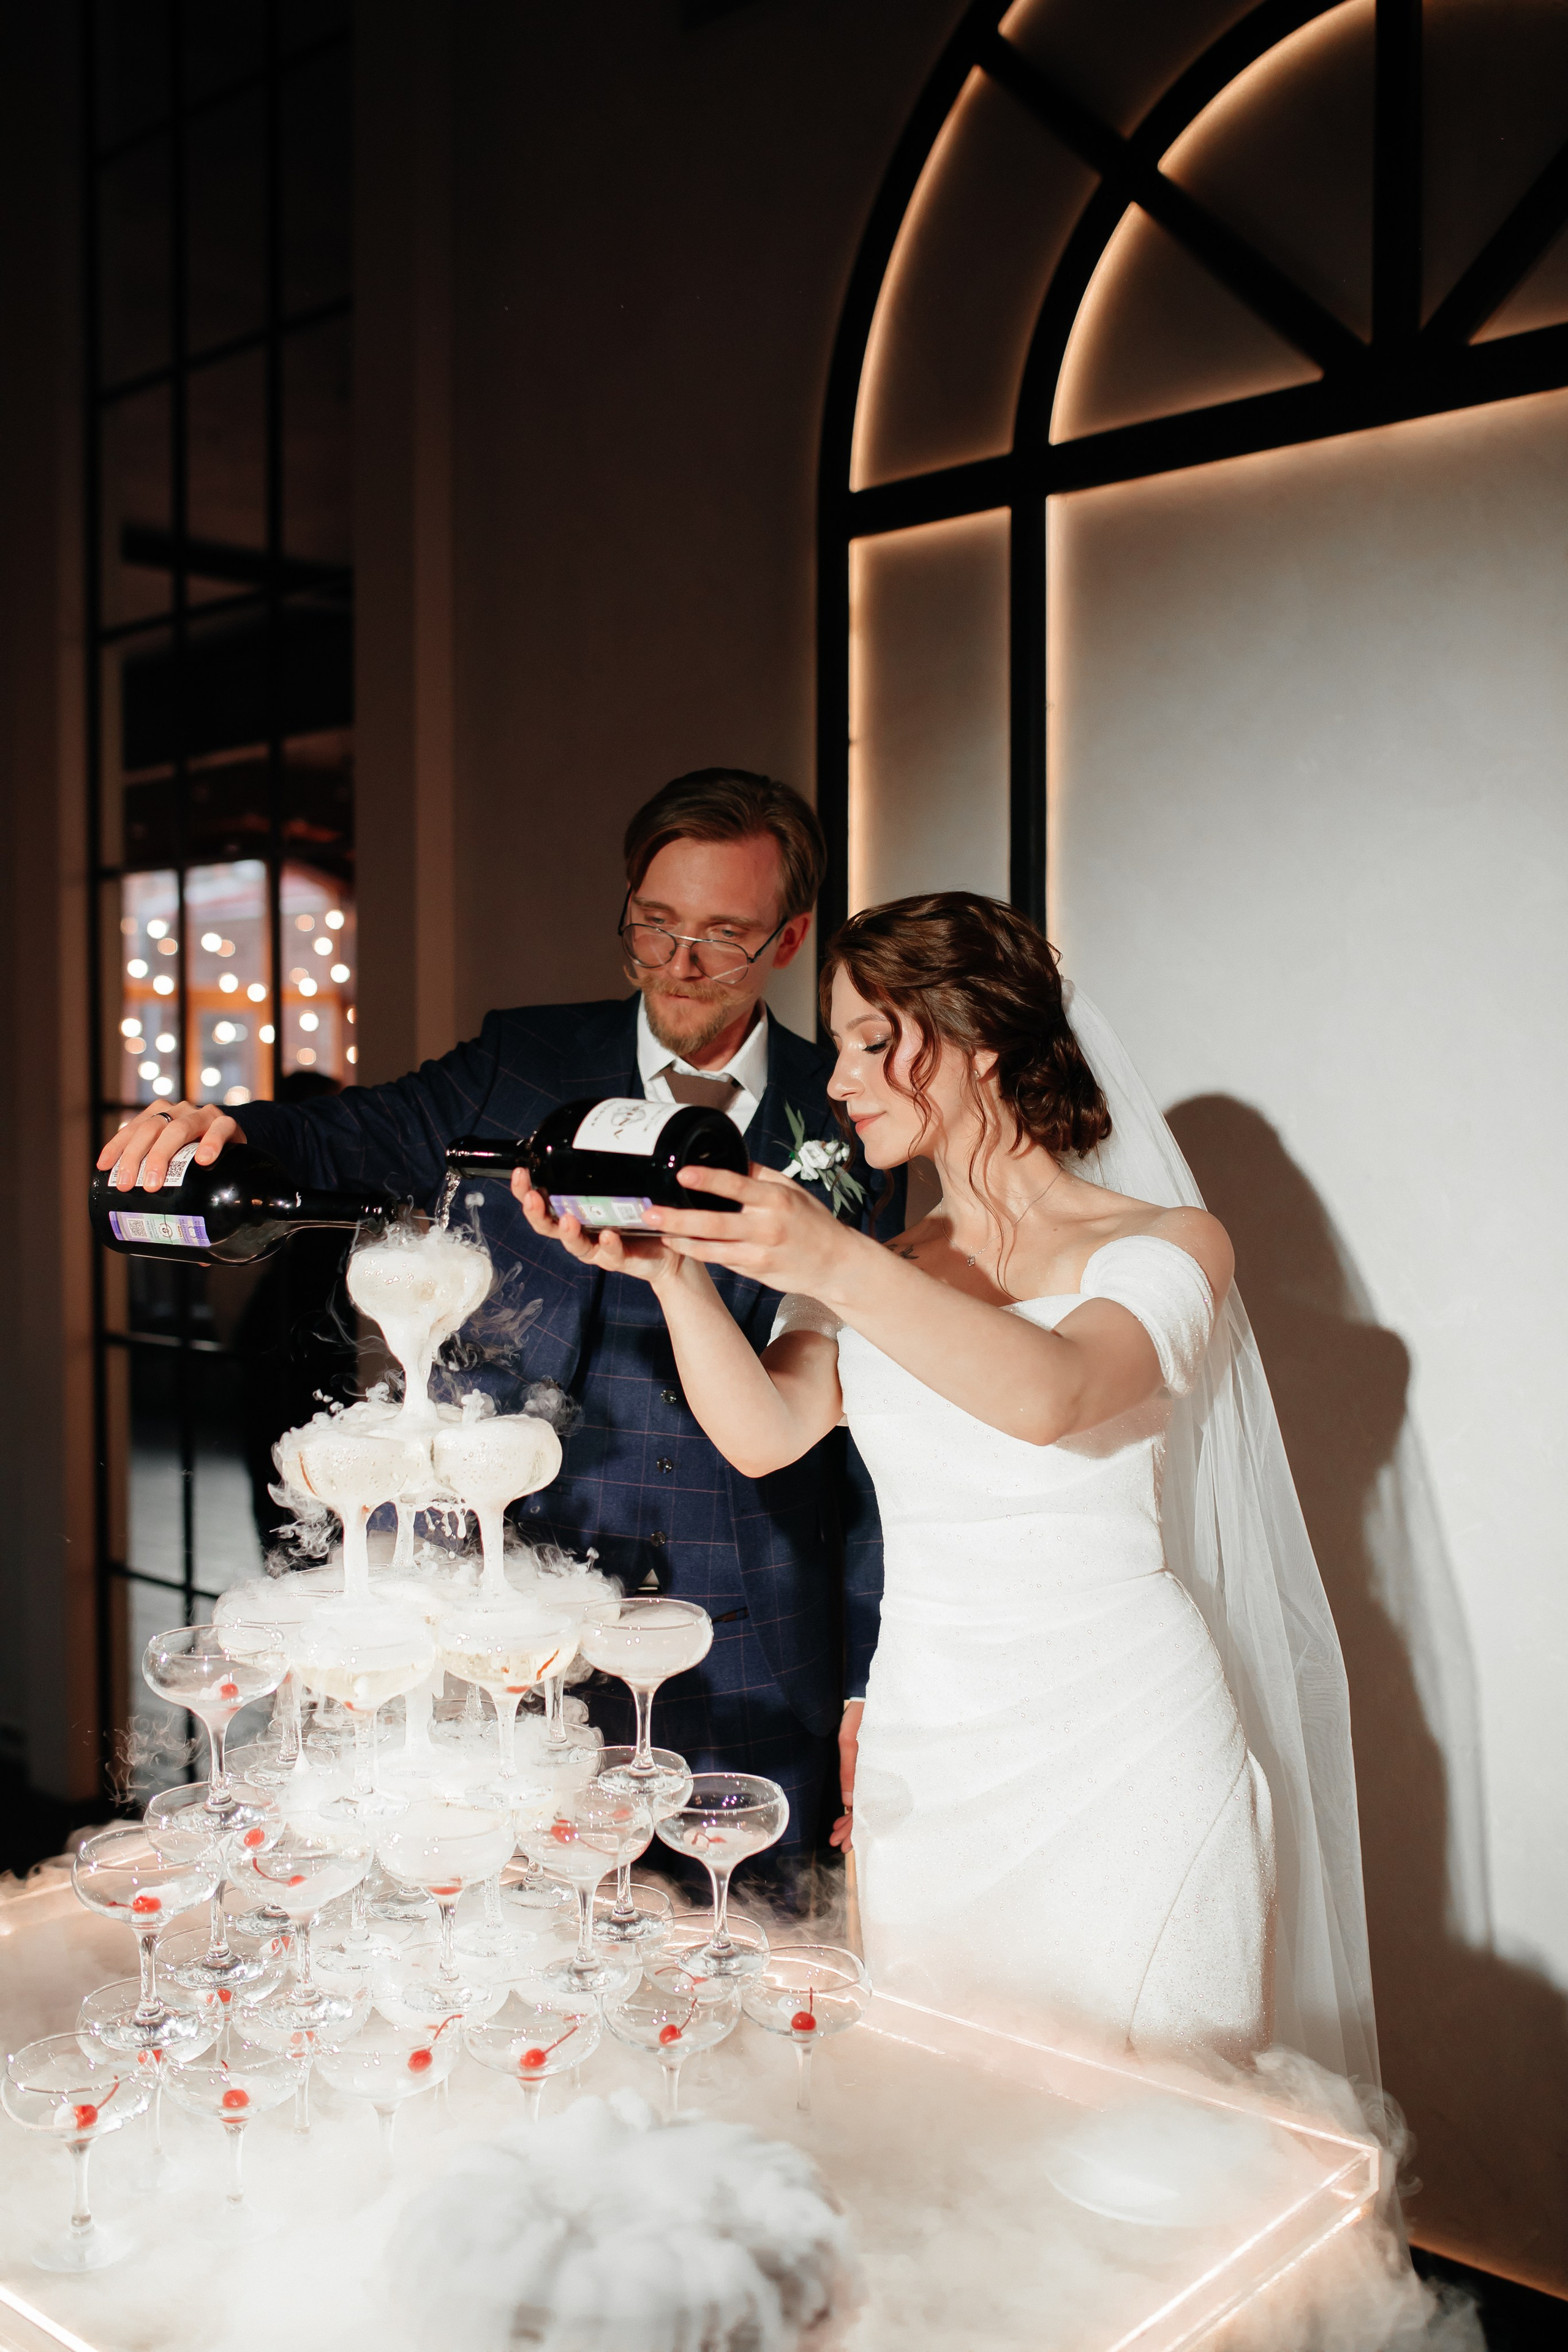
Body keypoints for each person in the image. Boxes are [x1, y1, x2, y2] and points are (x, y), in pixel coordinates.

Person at [519, 891, 1378, 2075]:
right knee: (957, 2108)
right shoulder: (887, 1264)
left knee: (1166, 2116)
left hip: (1124, 1737)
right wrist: (674, 1278)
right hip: (933, 1735)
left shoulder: (1168, 1245)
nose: (840, 1079)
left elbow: (1054, 1396)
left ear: (978, 1041)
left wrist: (833, 1257)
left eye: (876, 1041)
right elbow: (765, 1434)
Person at [99, 770, 897, 1869]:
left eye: (723, 936)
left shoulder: (849, 1117)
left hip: (756, 1637)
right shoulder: (522, 1060)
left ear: (791, 938)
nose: (680, 964)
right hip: (513, 1620)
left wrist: (870, 1679)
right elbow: (346, 1136)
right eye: (654, 926)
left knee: (737, 1954)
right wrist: (219, 1126)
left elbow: (875, 1441)